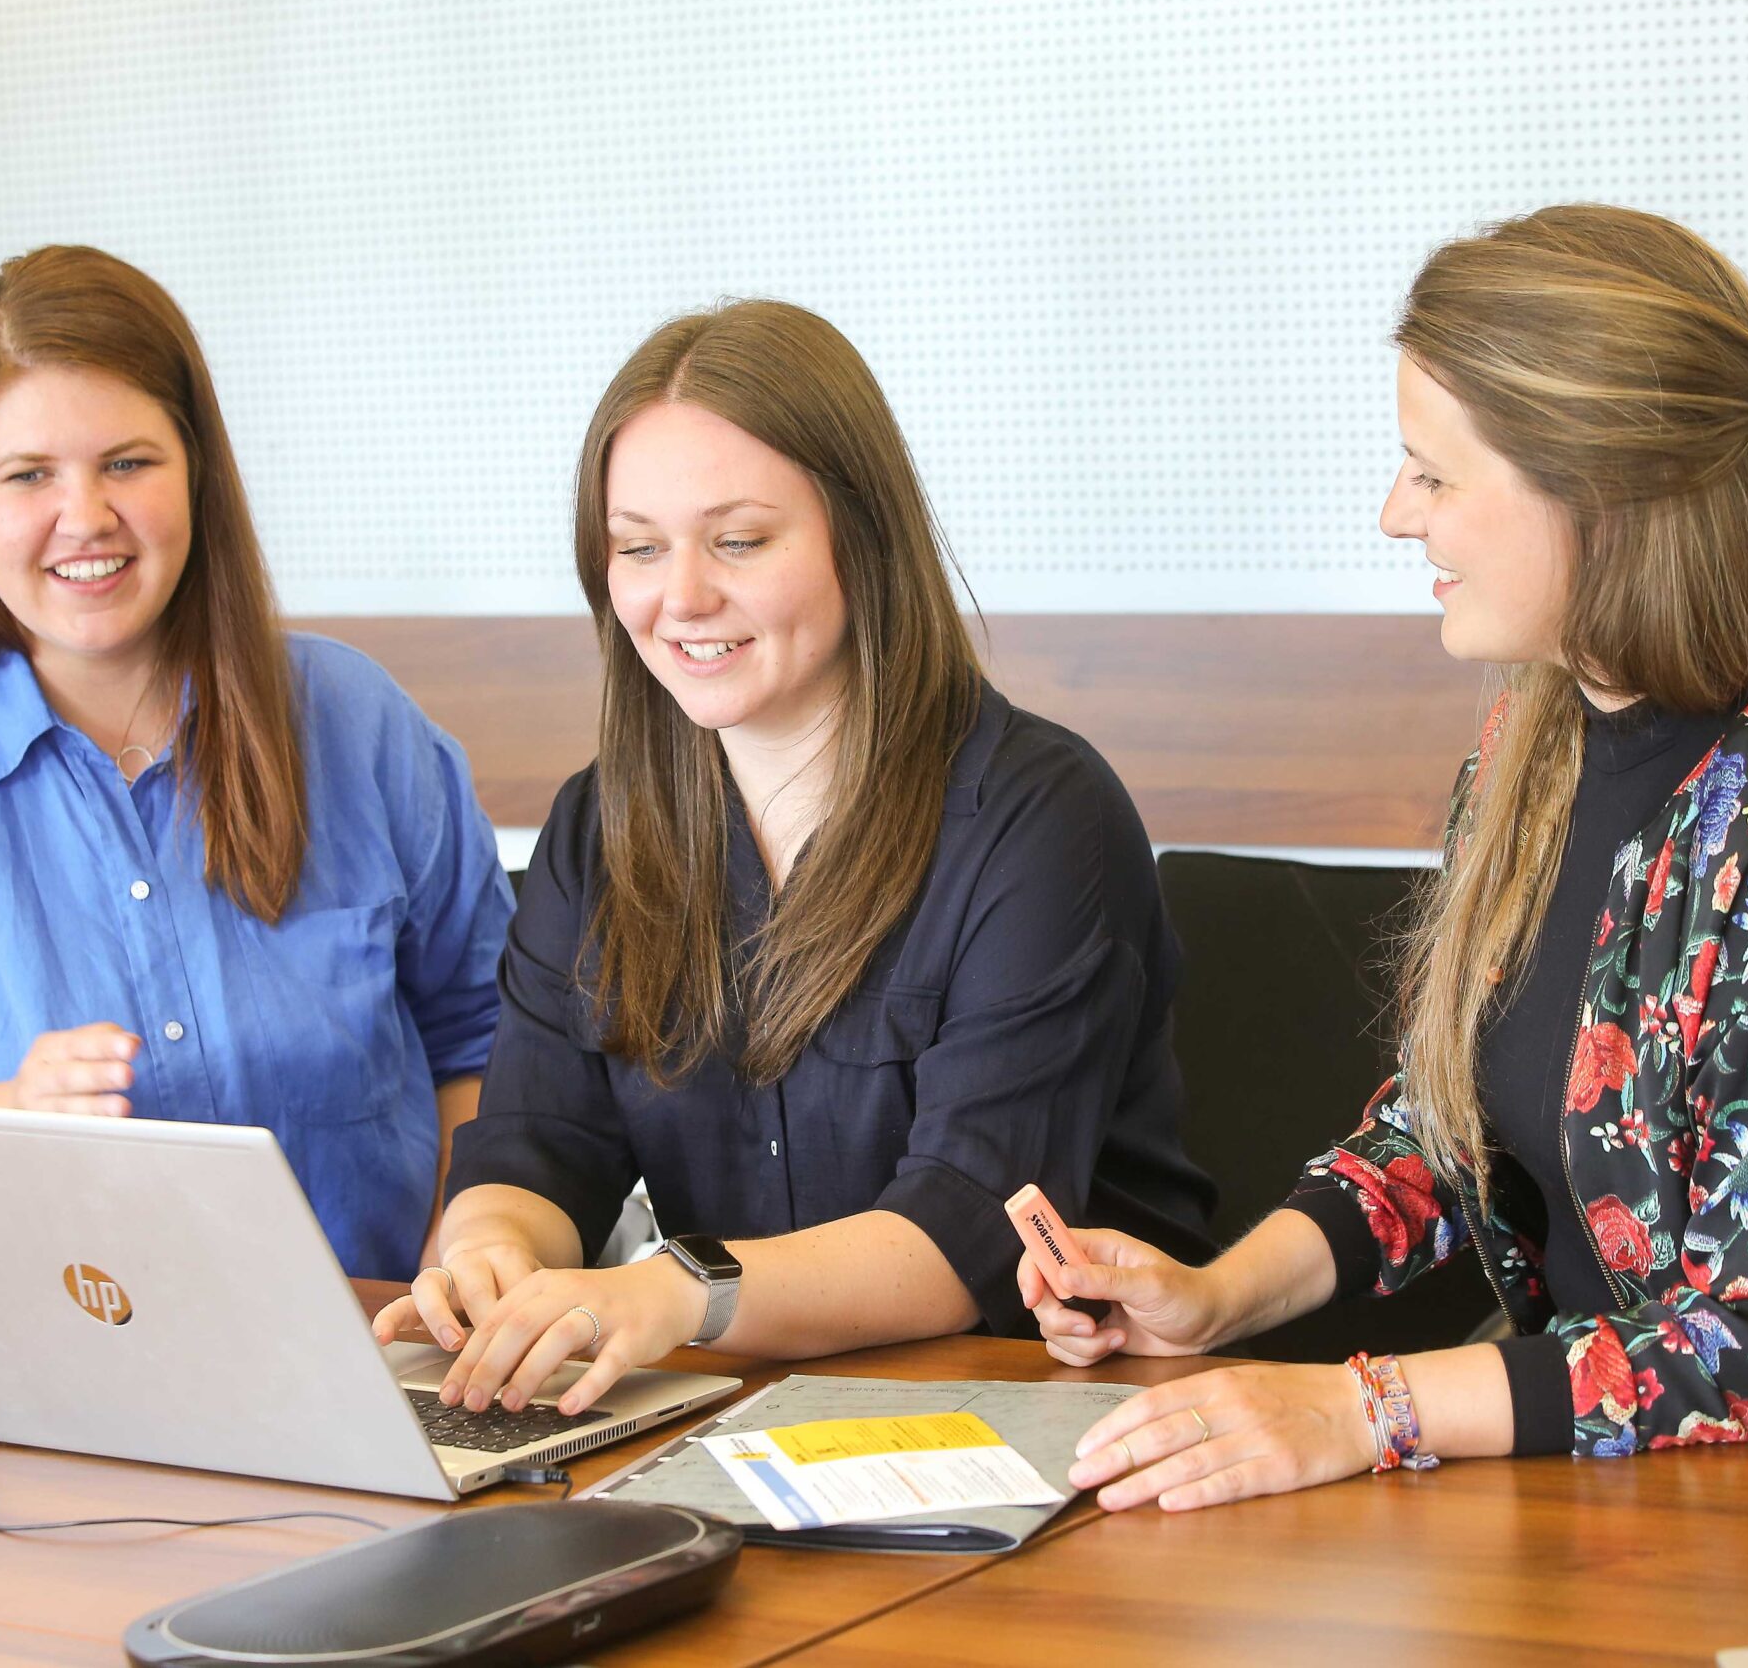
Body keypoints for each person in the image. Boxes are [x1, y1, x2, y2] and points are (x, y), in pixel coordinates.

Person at [1024, 205, 1748, 1511]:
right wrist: (1213, 1296)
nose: (1396, 514)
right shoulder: (1533, 742)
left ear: (1593, 492)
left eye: (1433, 475)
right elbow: (1450, 1123)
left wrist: (1357, 1400)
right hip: (1604, 1480)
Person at [373, 298, 1215, 1416]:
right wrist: (489, 1252)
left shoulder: (1038, 817)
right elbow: (536, 1142)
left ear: (857, 539)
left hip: (1046, 1411)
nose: (680, 597)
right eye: (638, 547)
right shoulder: (600, 824)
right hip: (741, 1412)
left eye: (738, 540)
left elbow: (961, 1230)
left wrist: (673, 1291)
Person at [0, 245, 512, 1281]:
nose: (86, 517)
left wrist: (467, 1253)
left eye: (127, 463)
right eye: (28, 475)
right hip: (41, 1375)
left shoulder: (356, 723)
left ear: (197, 475)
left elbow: (487, 1045)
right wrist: (0, 1117)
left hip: (386, 1359)